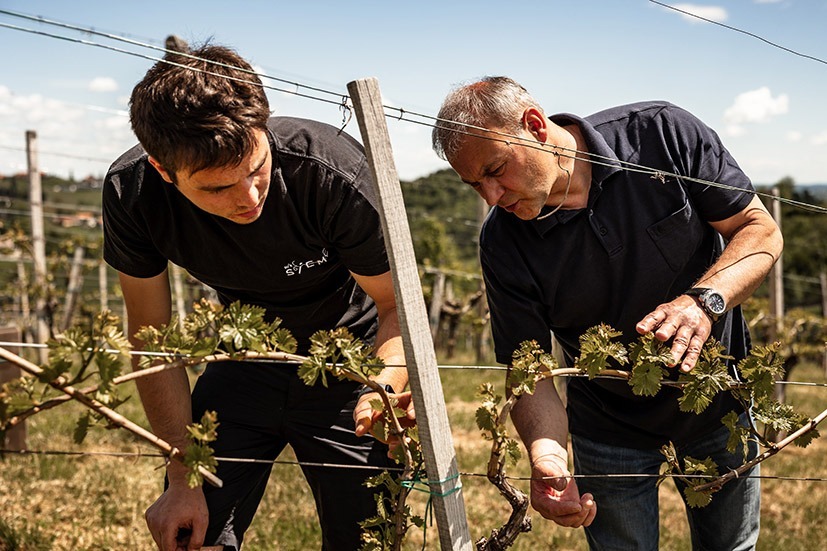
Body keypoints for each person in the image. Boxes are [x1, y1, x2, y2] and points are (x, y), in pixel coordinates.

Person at [432, 76, 782, 550]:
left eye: (495, 170)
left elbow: (759, 229)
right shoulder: (503, 242)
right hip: (608, 424)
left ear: (534, 125)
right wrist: (548, 455)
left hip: (718, 404)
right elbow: (529, 369)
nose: (491, 196)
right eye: (475, 184)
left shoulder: (661, 135)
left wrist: (706, 300)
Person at [102, 44, 410, 551]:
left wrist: (382, 388)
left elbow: (397, 307)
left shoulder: (329, 171)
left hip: (352, 360)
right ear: (162, 170)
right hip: (246, 357)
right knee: (193, 535)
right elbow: (151, 336)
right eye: (217, 188)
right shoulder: (132, 193)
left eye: (256, 167)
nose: (249, 198)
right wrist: (183, 476)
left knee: (368, 538)